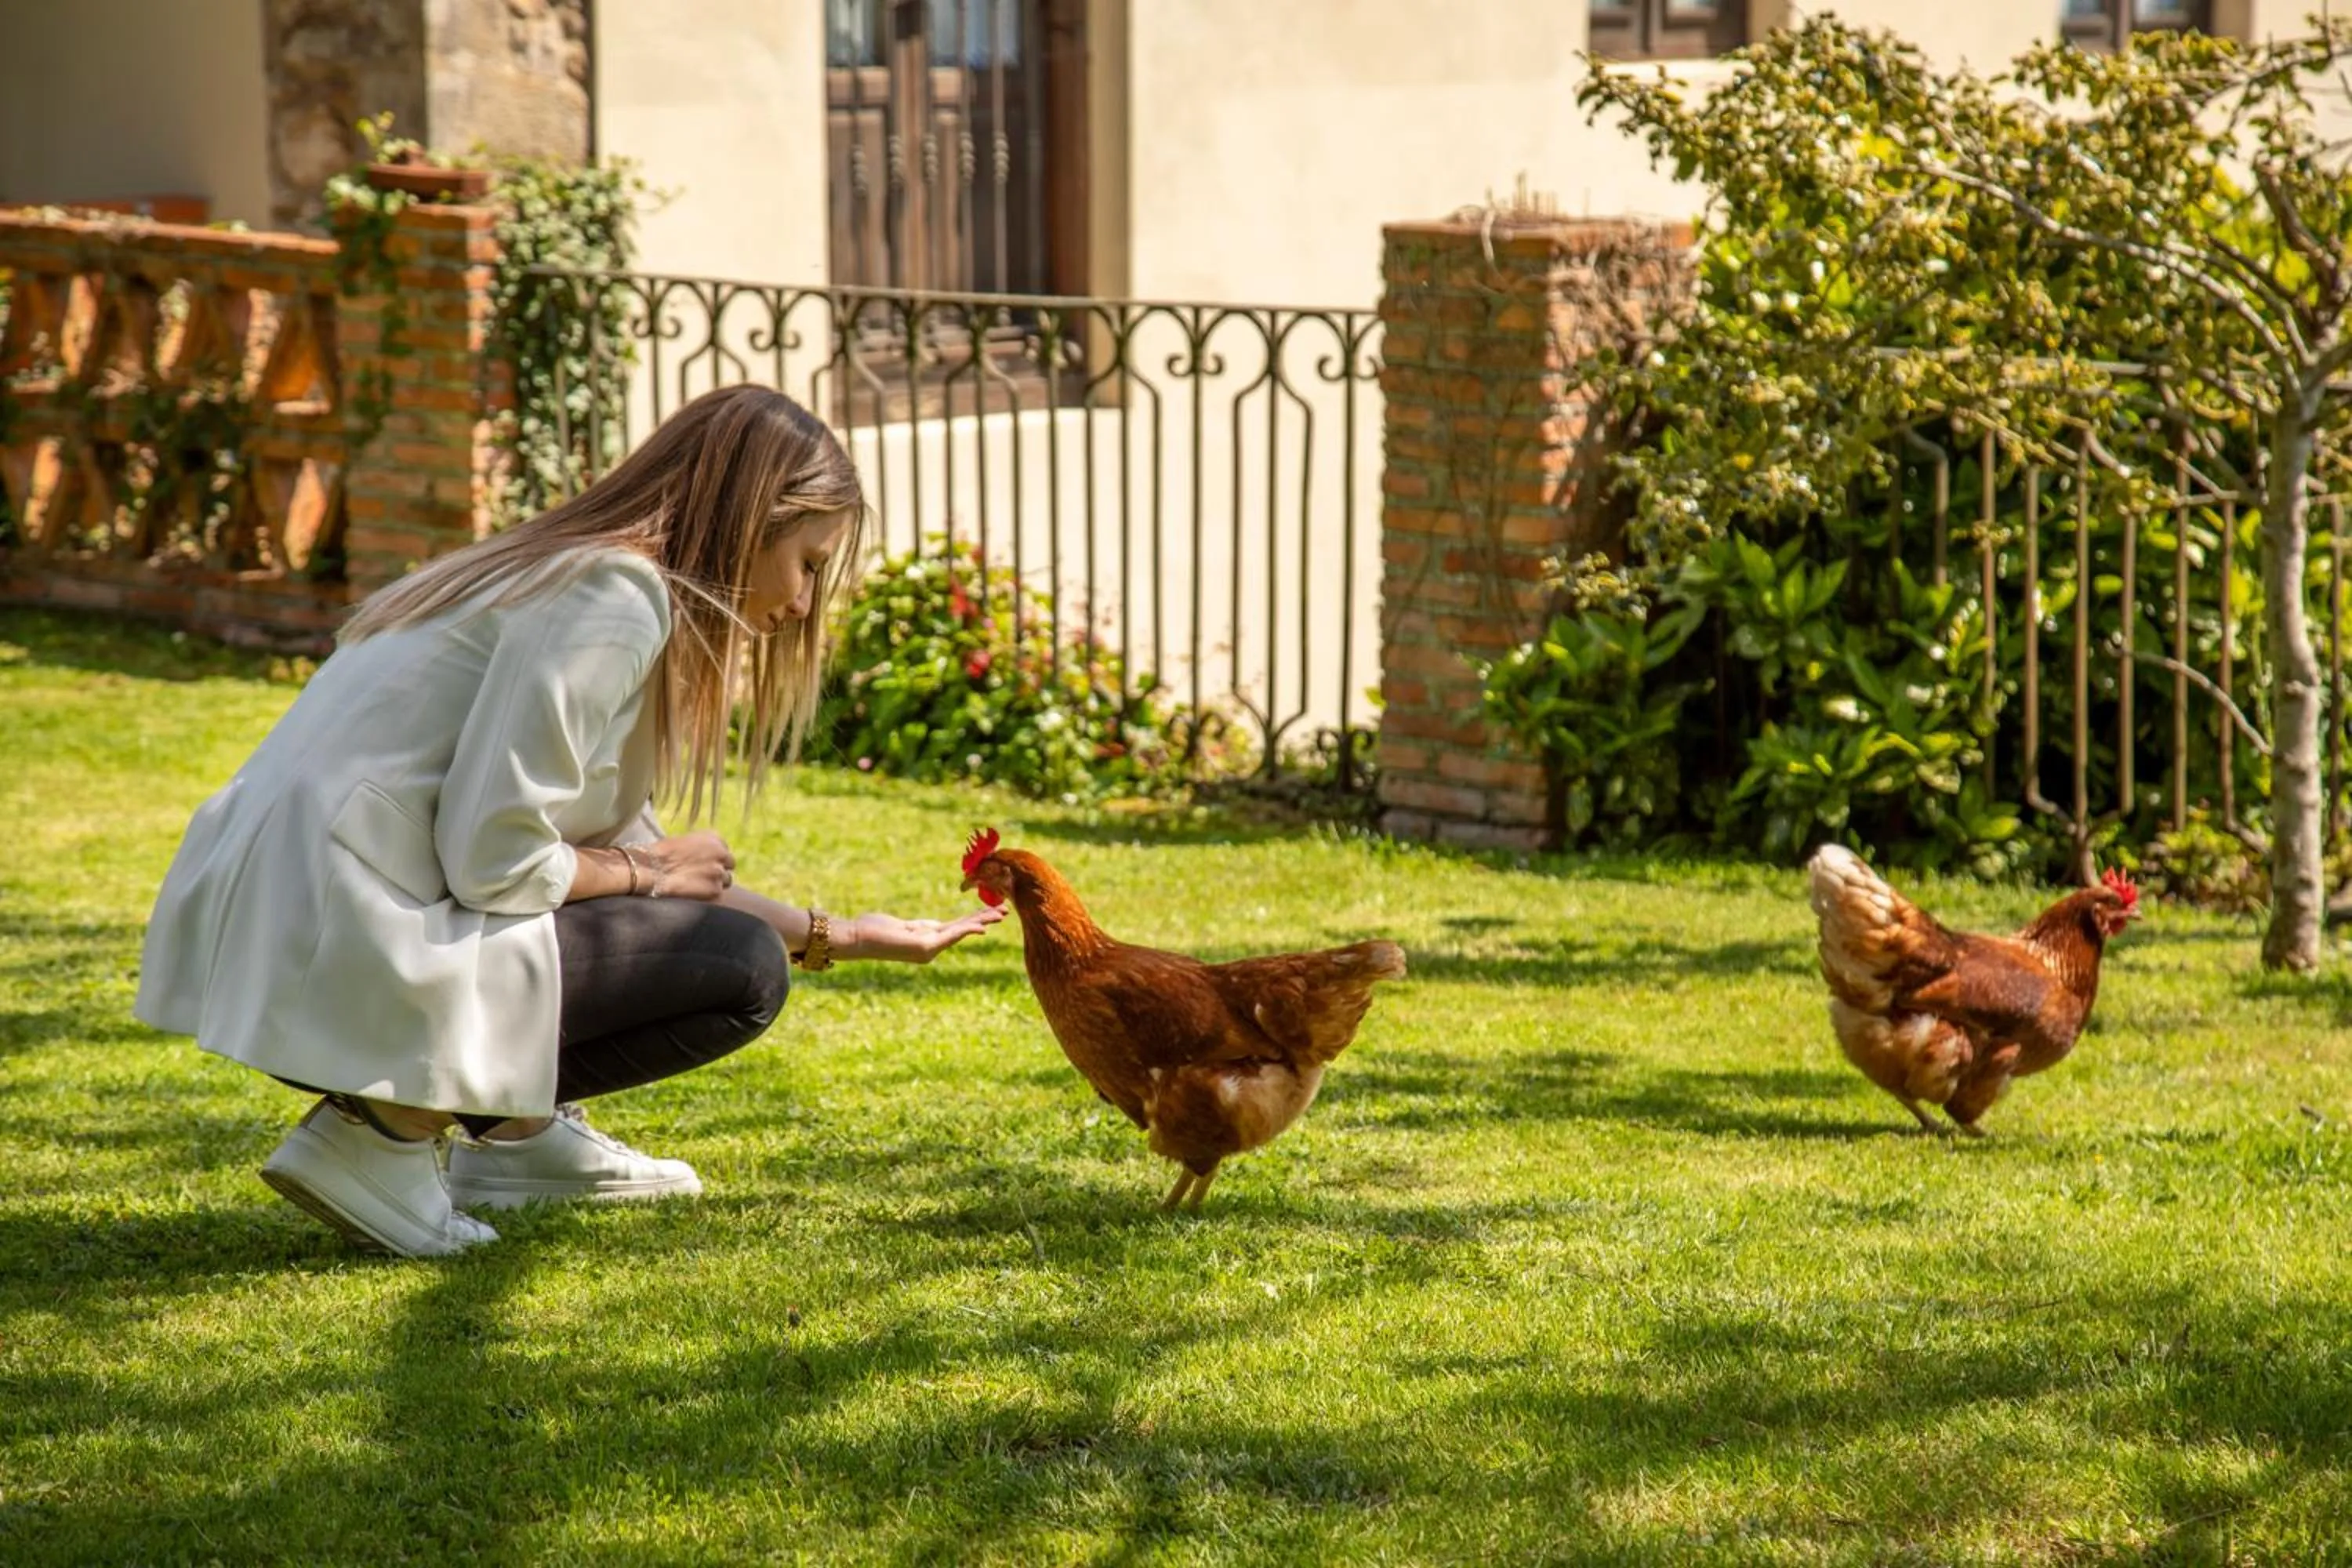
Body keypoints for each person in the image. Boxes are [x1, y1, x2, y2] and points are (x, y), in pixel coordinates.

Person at [133, 385, 1004, 1258]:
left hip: (294, 926)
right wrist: (652, 876)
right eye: (810, 562)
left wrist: (840, 933)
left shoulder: (583, 574)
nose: (807, 603)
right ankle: (379, 1138)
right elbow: (499, 860)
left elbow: (611, 850)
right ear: (751, 520)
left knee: (731, 946)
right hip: (334, 940)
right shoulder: (612, 597)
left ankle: (517, 1135)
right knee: (739, 968)